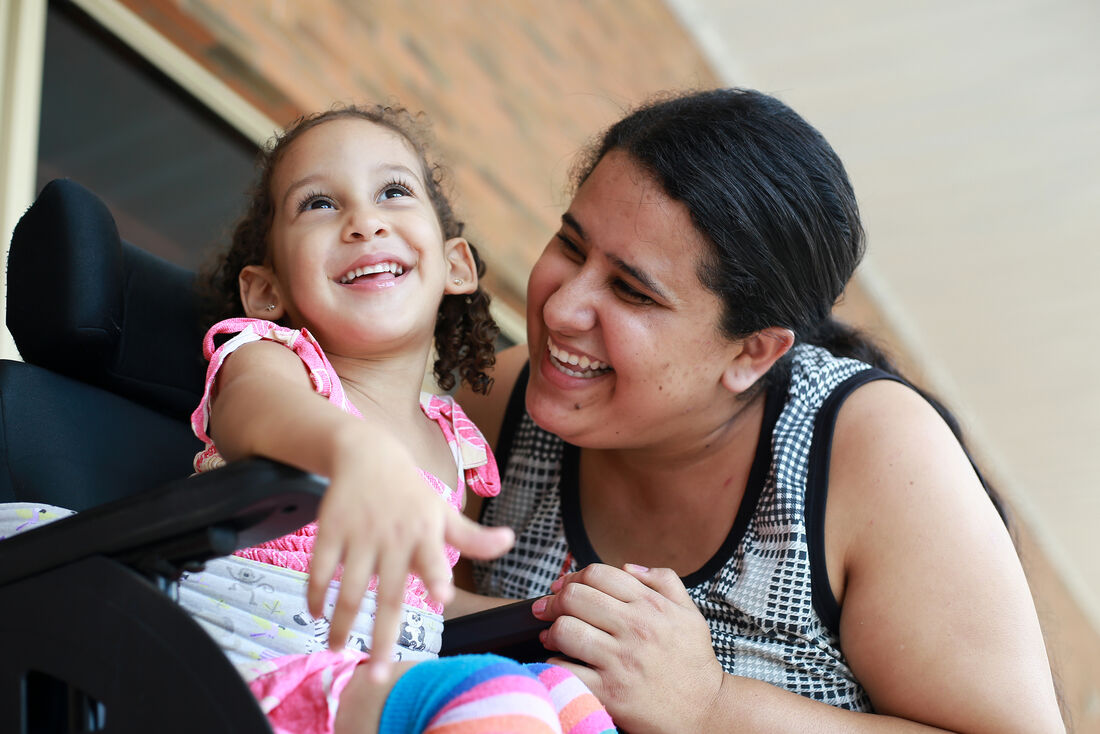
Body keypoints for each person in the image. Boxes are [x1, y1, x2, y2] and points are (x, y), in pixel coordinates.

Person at [455, 88, 1066, 733]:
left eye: (631, 292)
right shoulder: (509, 403)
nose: (559, 311)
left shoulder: (869, 447)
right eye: (572, 247)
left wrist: (710, 706)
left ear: (753, 352)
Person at [179, 104, 616, 734]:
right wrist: (352, 452)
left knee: (563, 693)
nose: (364, 221)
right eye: (319, 204)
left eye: (393, 192)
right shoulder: (272, 366)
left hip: (361, 690)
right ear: (264, 291)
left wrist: (549, 612)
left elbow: (427, 595)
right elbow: (257, 418)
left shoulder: (448, 440)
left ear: (455, 266)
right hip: (227, 674)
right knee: (497, 697)